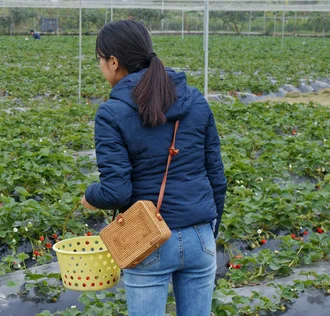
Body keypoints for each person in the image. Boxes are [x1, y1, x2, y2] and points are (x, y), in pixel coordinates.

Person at [80, 20, 226, 316]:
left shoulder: (112, 112)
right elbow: (217, 179)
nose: (101, 67)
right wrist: (209, 229)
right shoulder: (195, 101)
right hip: (200, 235)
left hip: (149, 240)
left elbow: (116, 190)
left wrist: (90, 197)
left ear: (113, 61)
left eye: (99, 60)